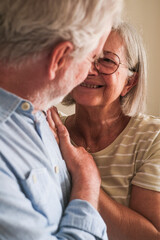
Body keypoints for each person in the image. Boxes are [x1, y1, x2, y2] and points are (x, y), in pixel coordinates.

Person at [0, 0, 123, 240]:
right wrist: (88, 185)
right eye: (92, 57)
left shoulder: (40, 114)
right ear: (60, 58)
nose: (92, 70)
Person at [50, 22, 160, 240]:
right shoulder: (51, 128)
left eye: (107, 60)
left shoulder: (152, 138)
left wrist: (83, 175)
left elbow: (151, 235)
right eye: (85, 56)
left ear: (130, 81)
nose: (90, 70)